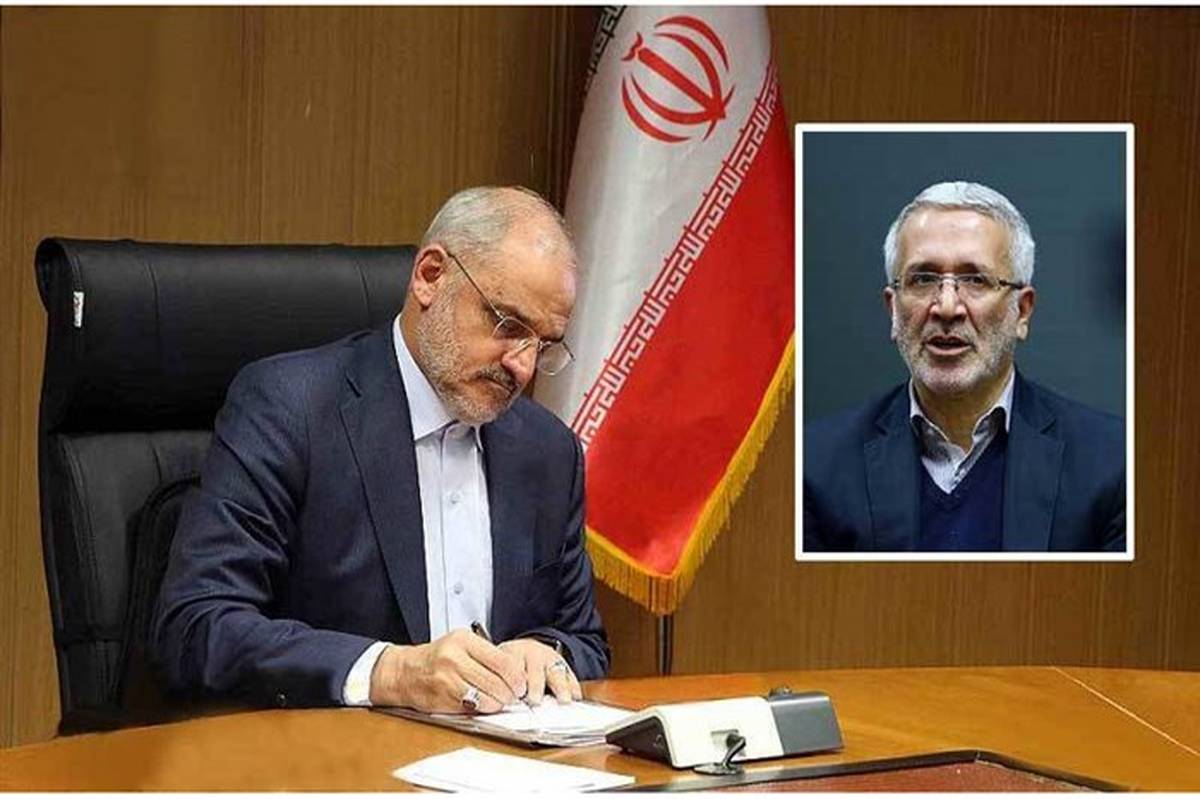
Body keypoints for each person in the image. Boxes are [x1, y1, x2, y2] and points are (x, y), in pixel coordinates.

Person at [153, 186, 609, 715]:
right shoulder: (289, 409)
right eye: (507, 325)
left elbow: (585, 642)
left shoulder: (547, 451)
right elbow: (197, 626)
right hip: (332, 753)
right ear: (430, 276)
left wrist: (549, 652)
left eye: (544, 344)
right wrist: (389, 672)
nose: (523, 367)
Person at [803, 181, 1125, 552]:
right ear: (893, 310)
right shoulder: (814, 466)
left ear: (1021, 312)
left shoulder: (1113, 463)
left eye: (975, 280)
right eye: (923, 279)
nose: (947, 307)